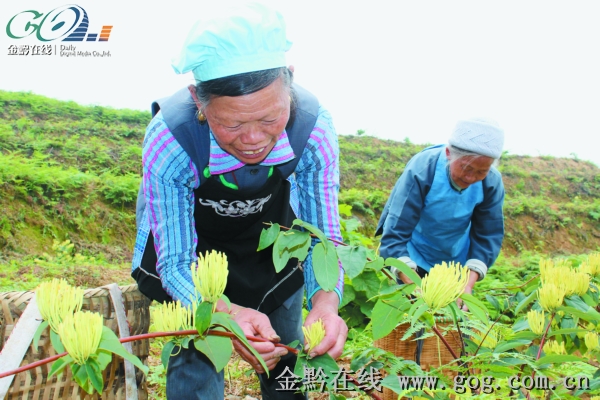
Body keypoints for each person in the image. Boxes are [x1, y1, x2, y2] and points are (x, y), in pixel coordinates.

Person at [130, 3, 347, 399]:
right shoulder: (172, 140)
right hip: (194, 250)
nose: (253, 140)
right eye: (231, 124)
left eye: (269, 120)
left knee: (284, 353)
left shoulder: (313, 130)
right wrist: (225, 314)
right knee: (196, 352)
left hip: (270, 245)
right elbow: (176, 261)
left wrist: (327, 302)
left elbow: (323, 236)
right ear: (198, 98)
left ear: (291, 82)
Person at [375, 118, 505, 299]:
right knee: (412, 319)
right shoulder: (423, 170)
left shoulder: (491, 182)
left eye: (481, 171)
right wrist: (415, 286)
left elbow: (488, 235)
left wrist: (466, 286)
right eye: (466, 167)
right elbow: (396, 230)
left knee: (450, 324)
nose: (470, 177)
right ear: (448, 153)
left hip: (454, 264)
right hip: (412, 256)